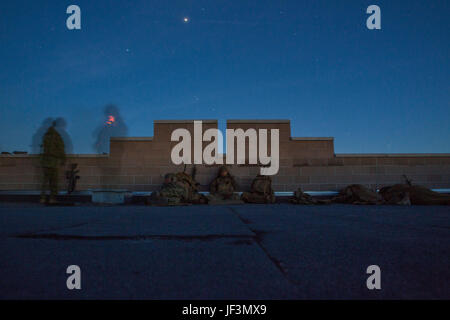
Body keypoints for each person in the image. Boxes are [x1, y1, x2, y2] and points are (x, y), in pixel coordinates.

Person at [40, 122, 66, 204]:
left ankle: (43, 197)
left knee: (45, 180)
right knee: (53, 181)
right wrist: (63, 159)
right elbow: (61, 148)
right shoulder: (56, 136)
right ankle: (52, 198)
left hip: (45, 160)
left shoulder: (46, 135)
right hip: (53, 160)